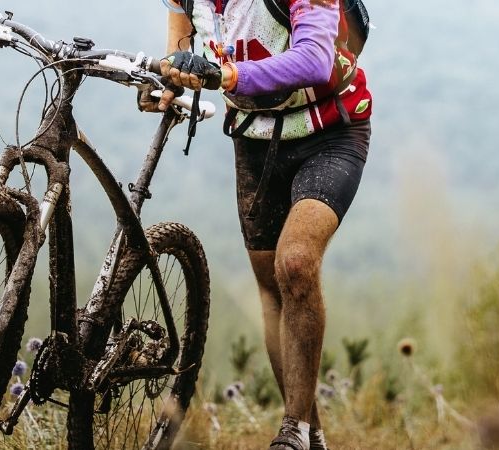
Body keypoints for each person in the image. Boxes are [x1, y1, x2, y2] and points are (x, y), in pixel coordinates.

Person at [140, 0, 373, 449]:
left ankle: (293, 431)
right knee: (271, 287)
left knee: (297, 264)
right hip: (256, 137)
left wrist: (227, 77)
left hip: (331, 132)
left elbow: (314, 57)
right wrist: (167, 80)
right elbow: (181, 33)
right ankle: (313, 435)